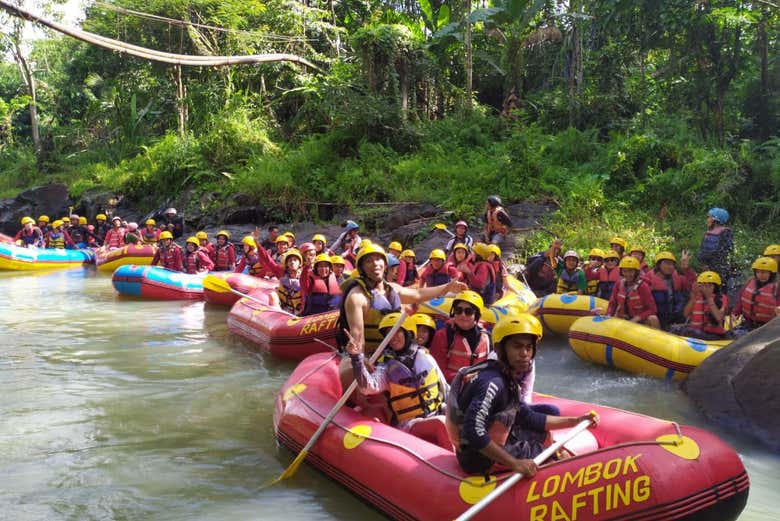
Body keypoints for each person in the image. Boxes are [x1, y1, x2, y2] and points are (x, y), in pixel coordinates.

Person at [445, 314, 599, 475]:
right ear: (499, 349)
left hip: (493, 443)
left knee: (543, 435)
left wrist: (576, 421)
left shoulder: (507, 377)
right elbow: (473, 431)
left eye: (528, 347)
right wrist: (515, 463)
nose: (524, 353)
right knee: (559, 457)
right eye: (517, 347)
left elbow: (526, 417)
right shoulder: (492, 382)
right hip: (479, 459)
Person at [345, 312, 448, 429]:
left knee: (448, 418)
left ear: (408, 333)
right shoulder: (386, 367)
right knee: (440, 423)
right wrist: (356, 357)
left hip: (436, 412)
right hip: (409, 424)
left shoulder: (424, 356)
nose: (392, 337)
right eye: (388, 333)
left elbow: (444, 387)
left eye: (397, 331)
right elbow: (367, 387)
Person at [429, 290, 492, 383]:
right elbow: (437, 370)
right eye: (458, 310)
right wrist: (463, 378)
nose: (462, 315)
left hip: (477, 390)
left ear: (477, 315)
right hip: (450, 390)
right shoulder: (442, 336)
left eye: (468, 312)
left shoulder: (486, 337)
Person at [642, 251, 695, 330]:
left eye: (672, 264)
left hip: (675, 319)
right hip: (658, 320)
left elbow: (693, 284)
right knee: (651, 319)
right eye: (667, 263)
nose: (671, 267)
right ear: (658, 265)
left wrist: (686, 269)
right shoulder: (647, 280)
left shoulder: (677, 278)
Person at [603, 256, 660, 328]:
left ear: (636, 272)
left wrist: (636, 318)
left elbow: (652, 309)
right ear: (621, 272)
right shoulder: (619, 284)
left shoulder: (643, 286)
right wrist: (608, 315)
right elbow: (612, 303)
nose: (627, 274)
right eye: (625, 271)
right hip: (623, 318)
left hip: (639, 320)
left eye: (631, 271)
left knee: (653, 319)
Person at [674, 272, 729, 340]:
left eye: (709, 285)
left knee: (687, 331)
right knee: (676, 329)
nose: (705, 287)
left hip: (714, 336)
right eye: (702, 285)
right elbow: (686, 314)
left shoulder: (721, 298)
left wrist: (709, 298)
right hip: (697, 333)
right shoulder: (697, 297)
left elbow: (719, 318)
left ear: (716, 287)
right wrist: (693, 297)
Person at [730, 257, 780, 334]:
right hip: (748, 323)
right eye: (758, 272)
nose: (760, 275)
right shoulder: (750, 281)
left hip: (767, 327)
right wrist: (735, 312)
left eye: (764, 272)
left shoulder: (777, 288)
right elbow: (740, 300)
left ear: (772, 273)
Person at [697, 207, 733, 285]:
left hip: (718, 269)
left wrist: (705, 260)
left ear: (715, 219)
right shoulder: (708, 233)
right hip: (707, 267)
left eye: (709, 217)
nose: (707, 219)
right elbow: (702, 249)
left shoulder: (725, 232)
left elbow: (720, 251)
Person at [277, 249, 303, 315]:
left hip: (300, 312)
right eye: (290, 260)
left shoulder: (304, 277)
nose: (292, 262)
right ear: (287, 264)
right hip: (284, 310)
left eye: (295, 260)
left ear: (300, 263)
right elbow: (268, 261)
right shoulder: (283, 277)